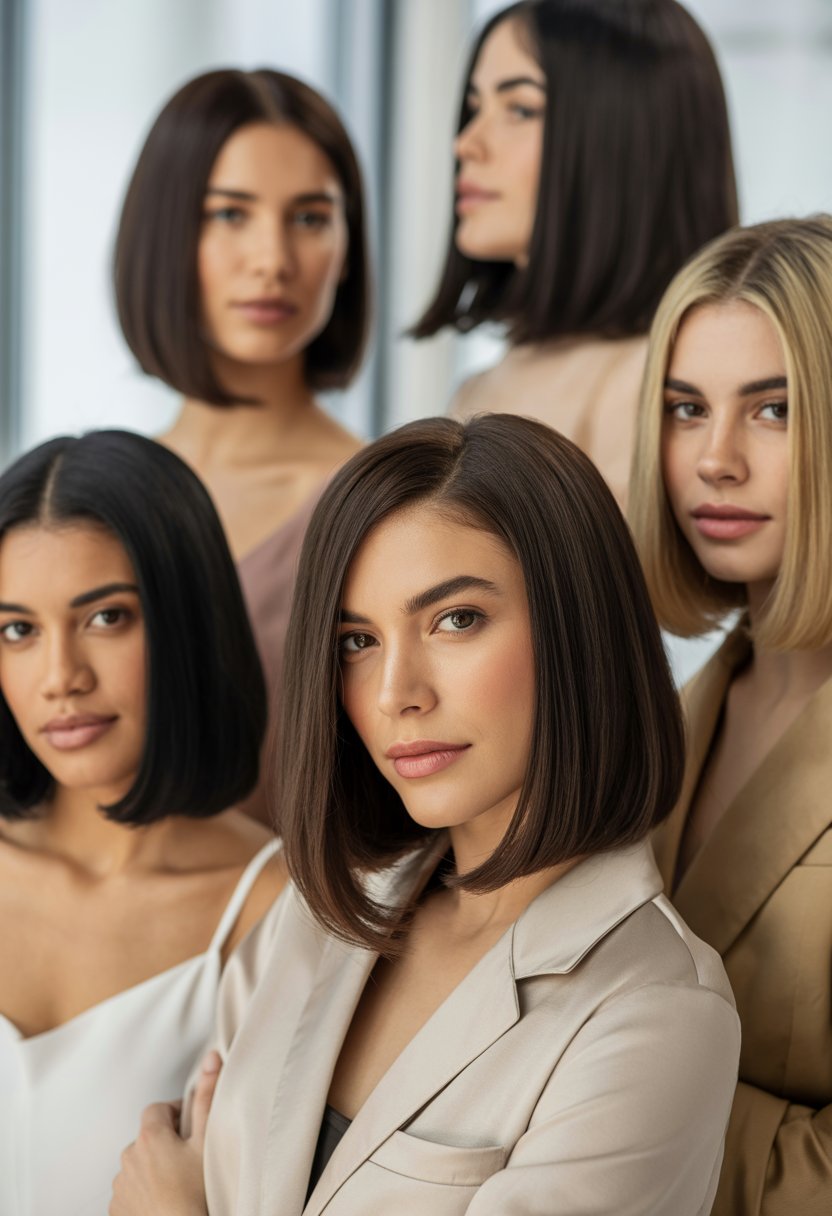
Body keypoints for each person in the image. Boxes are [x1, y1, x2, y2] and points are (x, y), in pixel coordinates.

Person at [111, 415, 739, 1216]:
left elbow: (170, 1190)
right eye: (357, 641)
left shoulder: (657, 1011)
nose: (394, 692)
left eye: (455, 620)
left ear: (577, 628)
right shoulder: (317, 911)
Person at [0, 430, 287, 1216]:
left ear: (186, 625)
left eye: (106, 618)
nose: (61, 677)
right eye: (18, 630)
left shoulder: (277, 911)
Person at [629, 215, 832, 1216]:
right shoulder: (665, 722)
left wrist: (619, 1106)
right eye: (683, 407)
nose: (712, 459)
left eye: (771, 410)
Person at [114, 68, 371, 821]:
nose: (273, 260)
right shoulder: (92, 498)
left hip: (298, 926)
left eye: (310, 218)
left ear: (349, 248)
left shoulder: (377, 505)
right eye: (230, 215)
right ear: (167, 234)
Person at [412, 0, 737, 510]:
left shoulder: (651, 385)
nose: (467, 143)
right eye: (475, 108)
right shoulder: (480, 389)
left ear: (623, 137)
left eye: (520, 109)